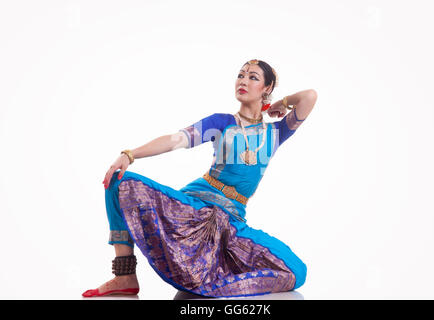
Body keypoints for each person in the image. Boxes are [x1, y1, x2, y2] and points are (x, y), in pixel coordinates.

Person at [82, 59, 318, 298]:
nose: (243, 81)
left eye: (253, 77)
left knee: (296, 270)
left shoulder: (275, 133)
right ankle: (124, 276)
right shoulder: (221, 123)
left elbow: (309, 96)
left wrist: (281, 103)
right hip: (195, 207)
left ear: (267, 88)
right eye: (240, 75)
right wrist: (129, 154)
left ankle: (219, 286)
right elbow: (175, 140)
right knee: (119, 181)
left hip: (232, 222)